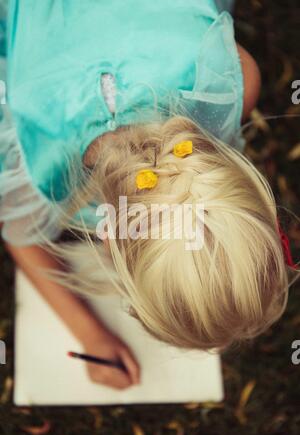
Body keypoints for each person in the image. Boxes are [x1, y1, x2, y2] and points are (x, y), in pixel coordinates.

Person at [1, 0, 294, 392]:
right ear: (107, 239)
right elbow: (20, 237)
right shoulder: (28, 147)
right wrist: (88, 333)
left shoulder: (235, 80)